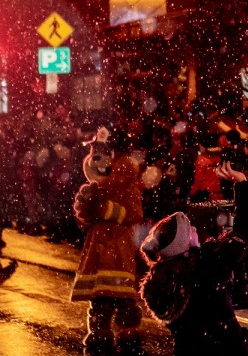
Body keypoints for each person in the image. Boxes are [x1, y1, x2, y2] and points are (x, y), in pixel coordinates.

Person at [71, 128, 145, 355]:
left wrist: (105, 210)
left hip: (119, 249)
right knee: (100, 300)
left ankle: (128, 336)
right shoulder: (96, 187)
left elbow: (134, 214)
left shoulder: (127, 186)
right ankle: (100, 336)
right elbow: (84, 221)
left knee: (123, 300)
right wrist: (84, 209)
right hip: (99, 249)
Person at [139, 212, 248, 356]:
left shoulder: (166, 280)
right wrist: (243, 190)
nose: (194, 229)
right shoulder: (205, 267)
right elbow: (242, 234)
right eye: (189, 230)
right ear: (183, 245)